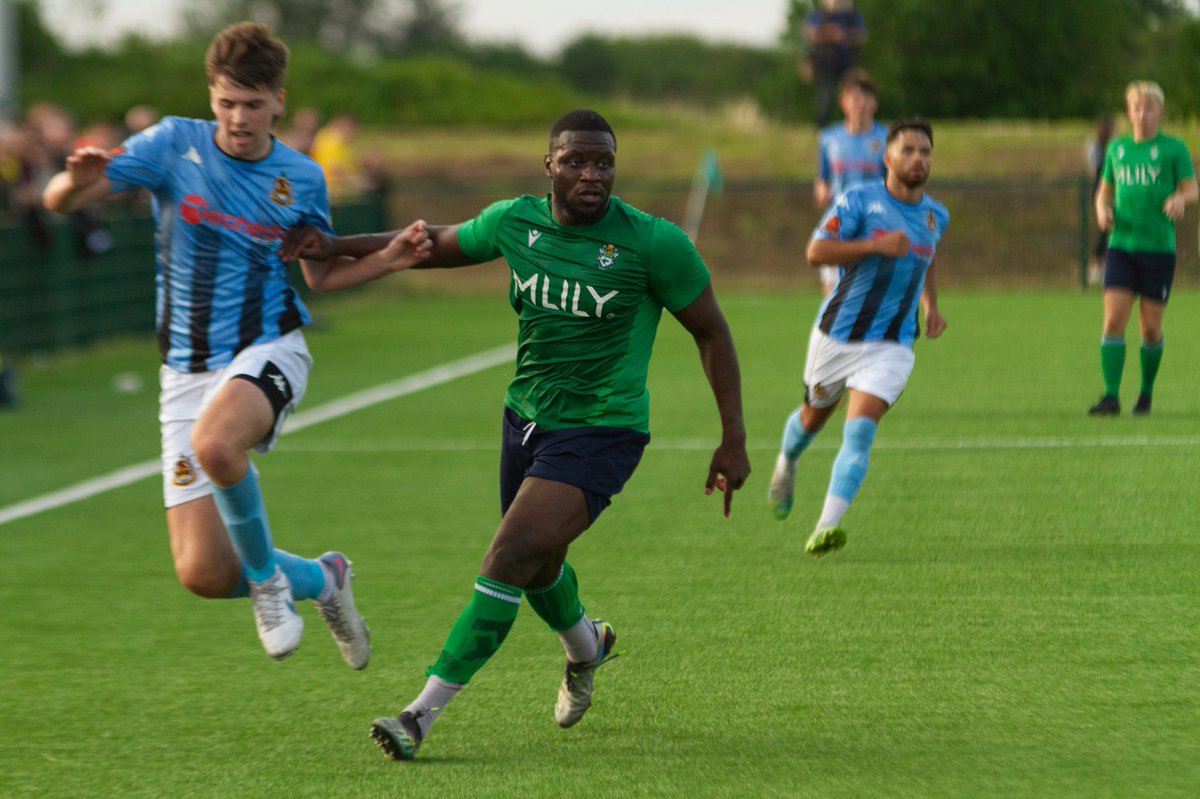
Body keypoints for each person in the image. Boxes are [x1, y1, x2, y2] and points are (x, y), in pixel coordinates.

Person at [283, 108, 751, 761]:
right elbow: (433, 243)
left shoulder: (653, 243)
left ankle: (418, 716)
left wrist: (733, 437)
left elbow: (712, 330)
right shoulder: (515, 221)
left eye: (604, 162)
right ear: (549, 165)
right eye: (578, 161)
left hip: (603, 428)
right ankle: (588, 648)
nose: (593, 174)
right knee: (537, 570)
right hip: (525, 419)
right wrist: (336, 246)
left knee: (506, 557)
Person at [41, 22, 430, 667]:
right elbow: (60, 202)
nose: (239, 118)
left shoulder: (301, 177)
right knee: (204, 572)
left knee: (218, 444)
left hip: (268, 348)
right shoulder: (171, 144)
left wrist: (387, 261)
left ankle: (271, 588)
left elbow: (322, 272)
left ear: (278, 100)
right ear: (211, 96)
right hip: (185, 372)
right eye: (226, 102)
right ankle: (322, 578)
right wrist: (71, 180)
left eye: (253, 104)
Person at [768, 118, 948, 558]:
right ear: (887, 158)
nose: (918, 158)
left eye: (925, 151)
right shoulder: (858, 200)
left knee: (860, 433)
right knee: (812, 420)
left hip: (893, 344)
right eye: (908, 150)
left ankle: (826, 526)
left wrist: (931, 307)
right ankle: (787, 461)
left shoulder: (935, 214)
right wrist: (875, 247)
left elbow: (926, 258)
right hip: (838, 336)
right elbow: (815, 253)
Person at [1089, 81, 1196, 417]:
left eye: (1149, 107)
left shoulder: (1174, 149)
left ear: (1159, 112)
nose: (1142, 113)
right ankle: (1110, 397)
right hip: (1122, 246)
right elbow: (1104, 192)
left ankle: (1146, 395)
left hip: (1159, 250)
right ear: (1129, 111)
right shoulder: (1117, 150)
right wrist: (1102, 209)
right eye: (1136, 107)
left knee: (1150, 328)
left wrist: (1181, 198)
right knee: (1112, 321)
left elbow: (1193, 189)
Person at [813, 69, 887, 296]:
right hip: (838, 225)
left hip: (873, 226)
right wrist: (822, 190)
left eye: (865, 97)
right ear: (843, 102)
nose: (860, 104)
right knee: (833, 297)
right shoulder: (829, 138)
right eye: (854, 97)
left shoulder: (887, 138)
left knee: (872, 296)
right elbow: (823, 178)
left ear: (874, 103)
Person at [804, 0, 868, 128]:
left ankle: (851, 121)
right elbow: (810, 34)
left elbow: (863, 35)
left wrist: (845, 35)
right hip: (825, 61)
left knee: (851, 91)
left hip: (847, 61)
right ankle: (823, 124)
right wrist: (831, 33)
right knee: (825, 94)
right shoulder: (820, 14)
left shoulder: (851, 15)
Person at [1085, 115, 1116, 285]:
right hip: (1104, 189)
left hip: (1105, 189)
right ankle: (1099, 266)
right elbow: (1094, 169)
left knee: (1108, 231)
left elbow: (1091, 168)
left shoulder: (1112, 145)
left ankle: (1103, 265)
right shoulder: (1097, 145)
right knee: (1104, 230)